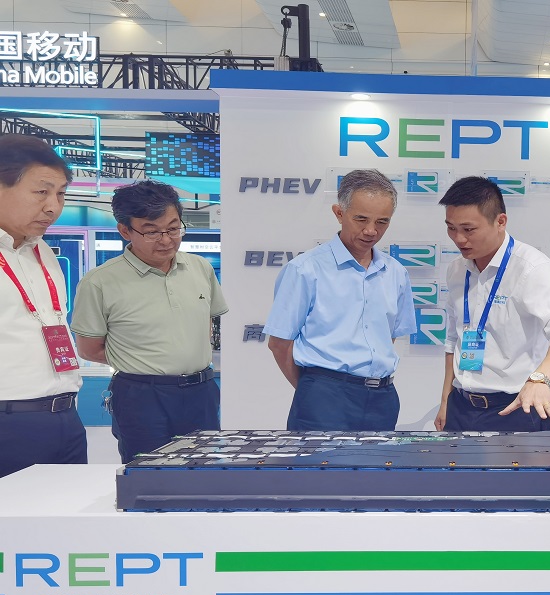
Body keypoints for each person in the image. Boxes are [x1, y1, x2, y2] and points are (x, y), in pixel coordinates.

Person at [71, 180, 228, 463]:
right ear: (125, 231)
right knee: (148, 474)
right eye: (152, 231)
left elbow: (204, 324)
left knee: (203, 471)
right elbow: (88, 348)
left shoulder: (200, 268)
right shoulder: (100, 282)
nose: (166, 240)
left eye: (173, 228)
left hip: (201, 391)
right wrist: (146, 362)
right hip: (141, 396)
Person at [264, 169, 416, 431]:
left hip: (383, 398)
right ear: (339, 213)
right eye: (361, 219)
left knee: (378, 461)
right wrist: (314, 391)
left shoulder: (396, 272)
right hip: (323, 397)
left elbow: (387, 337)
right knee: (318, 461)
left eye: (382, 222)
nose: (371, 230)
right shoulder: (305, 270)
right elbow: (279, 344)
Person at [434, 176, 550, 432]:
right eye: (451, 228)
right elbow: (453, 339)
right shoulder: (457, 270)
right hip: (460, 406)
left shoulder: (532, 269)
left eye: (468, 229)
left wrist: (540, 380)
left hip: (515, 408)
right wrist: (446, 400)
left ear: (500, 221)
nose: (458, 239)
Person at [0, 134, 88, 478]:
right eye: (41, 191)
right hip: (9, 421)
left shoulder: (43, 251)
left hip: (65, 416)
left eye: (61, 193)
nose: (53, 206)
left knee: (70, 511)